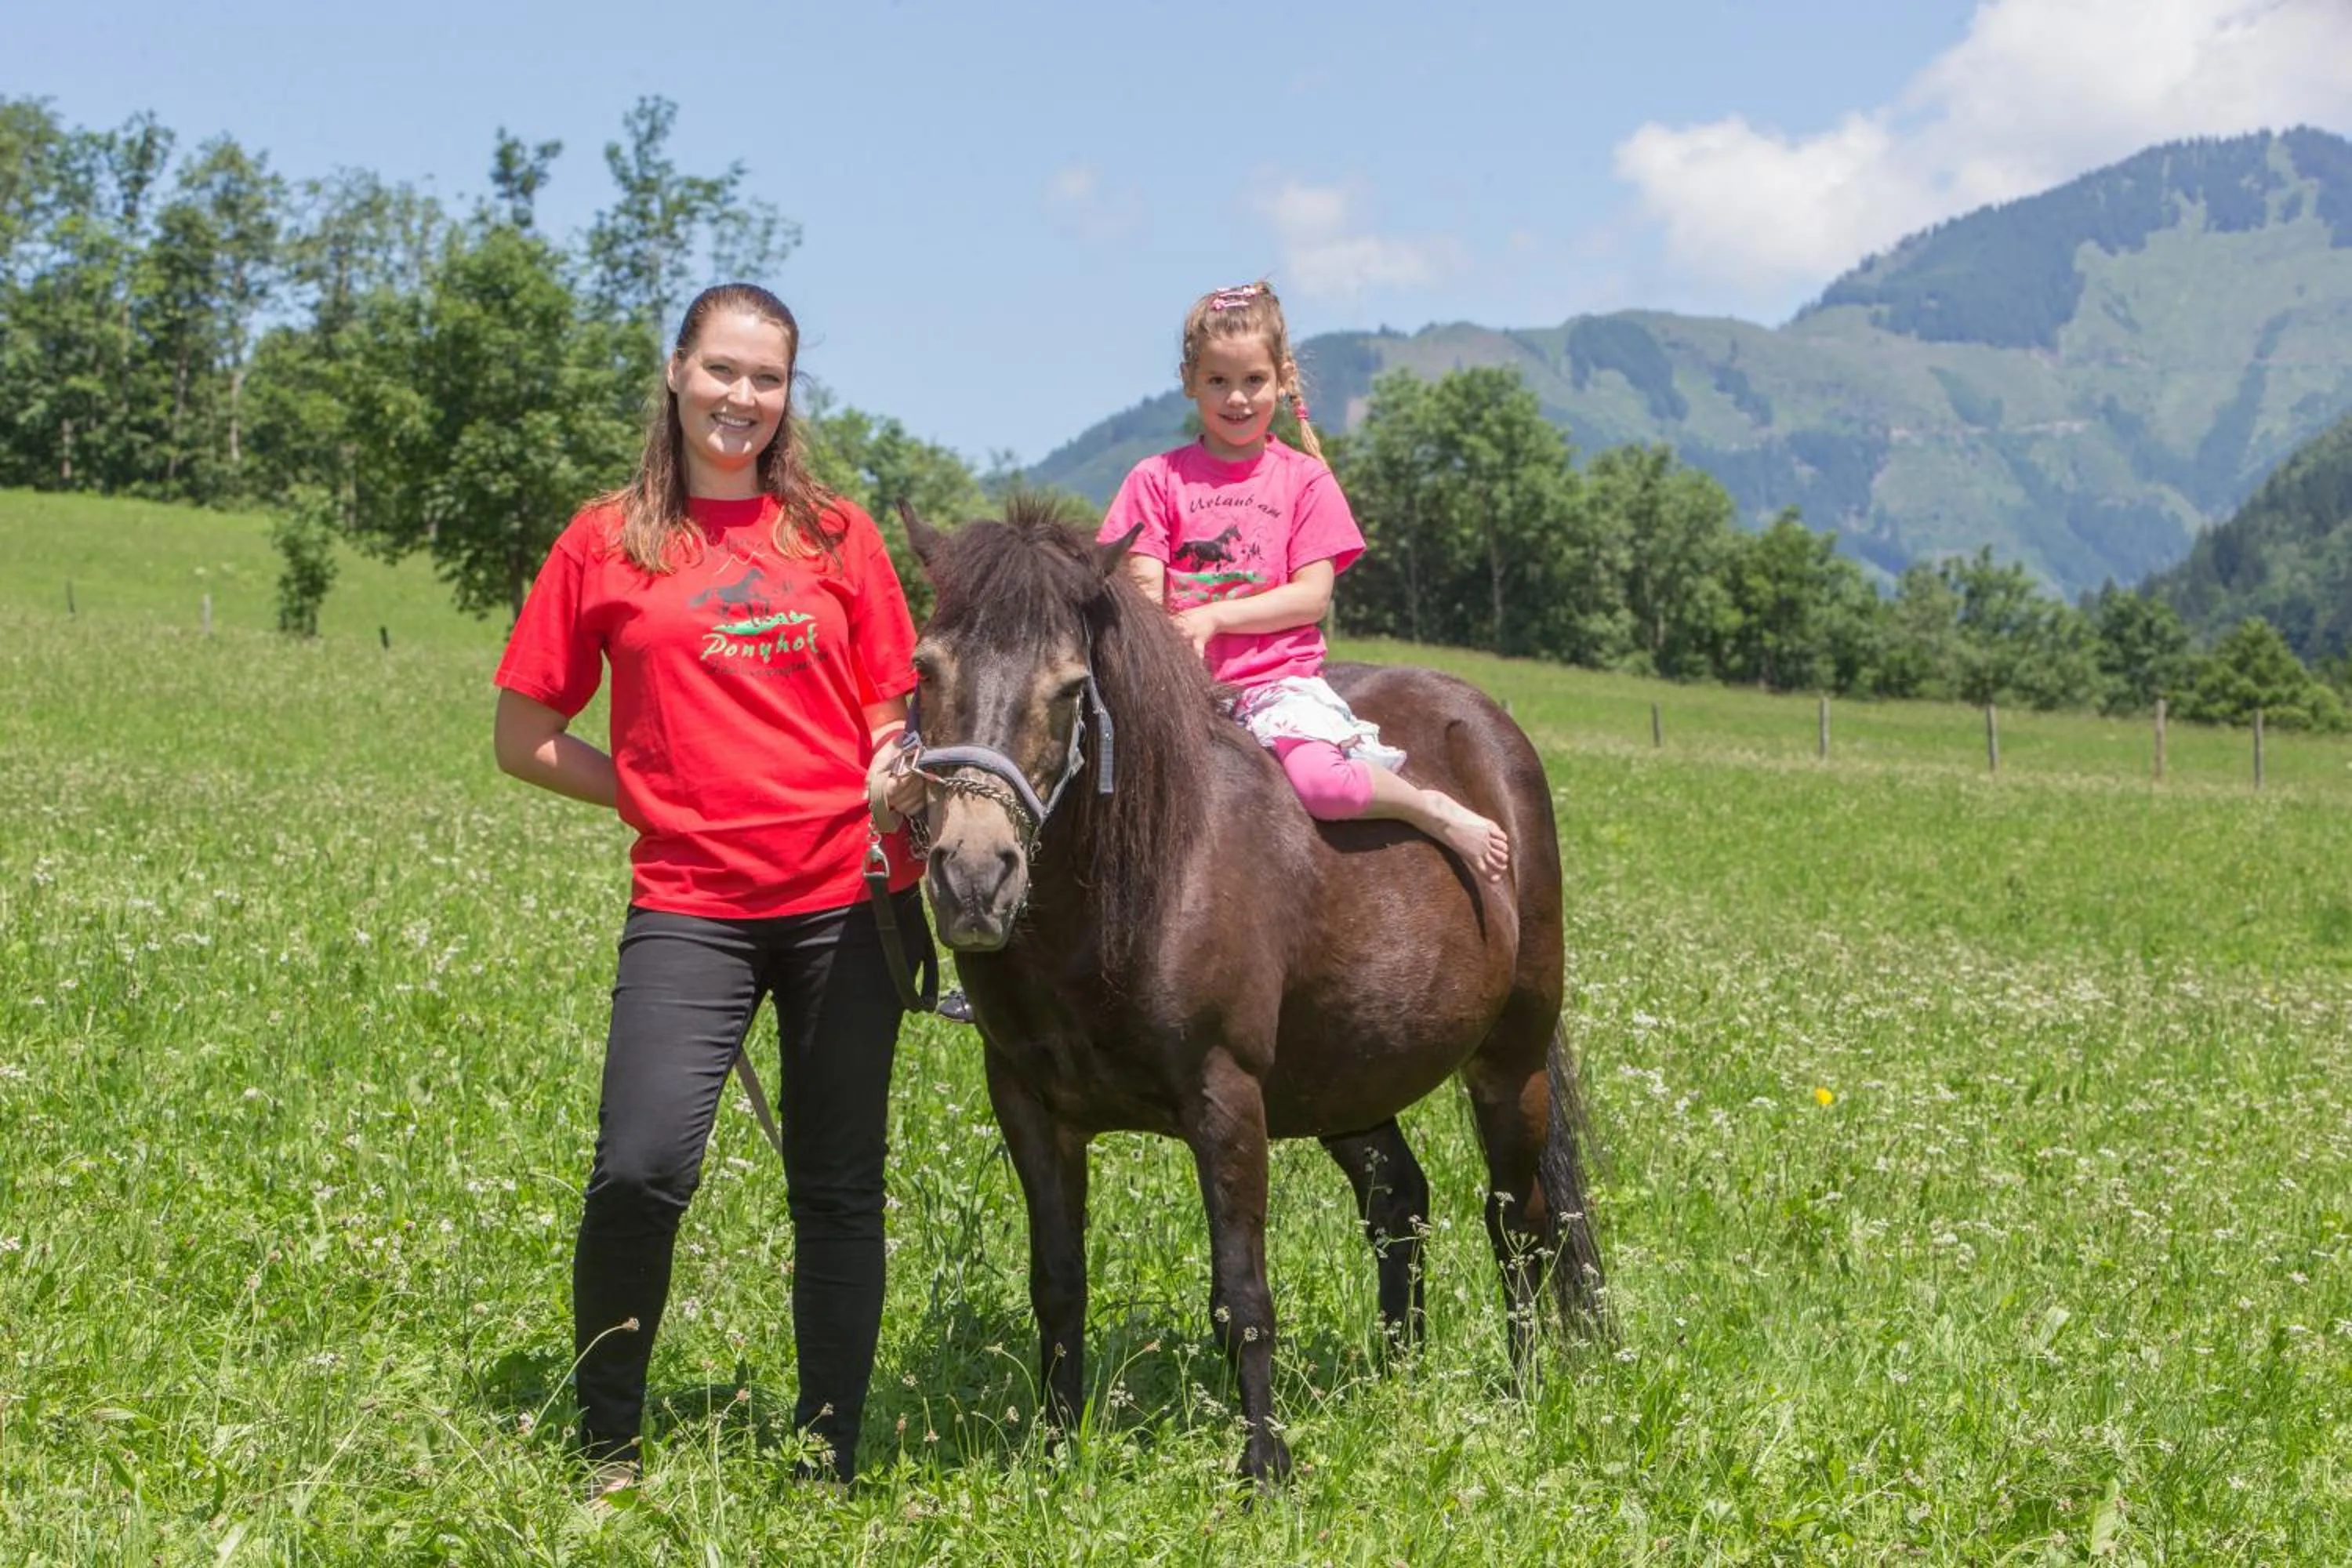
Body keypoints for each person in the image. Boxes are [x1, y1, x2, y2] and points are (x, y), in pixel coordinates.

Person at [492, 281, 932, 1495]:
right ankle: (608, 1446)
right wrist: (645, 794)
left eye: (769, 378)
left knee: (837, 1185)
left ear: (789, 395)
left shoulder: (839, 537)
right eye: (724, 370)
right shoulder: (606, 541)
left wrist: (899, 786)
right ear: (678, 372)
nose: (744, 398)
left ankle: (825, 1457)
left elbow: (887, 725)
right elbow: (523, 734)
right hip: (691, 907)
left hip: (849, 900)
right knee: (640, 1168)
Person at [1095, 280, 1511, 880]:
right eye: (1218, 382)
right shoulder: (1155, 480)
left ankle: (1429, 808)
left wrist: (1213, 617)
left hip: (1274, 686)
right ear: (1190, 381)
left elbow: (1311, 597)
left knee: (1324, 787)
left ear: (1283, 378)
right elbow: (1141, 592)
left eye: (1254, 381)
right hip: (1178, 691)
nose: (1237, 399)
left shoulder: (1305, 483)